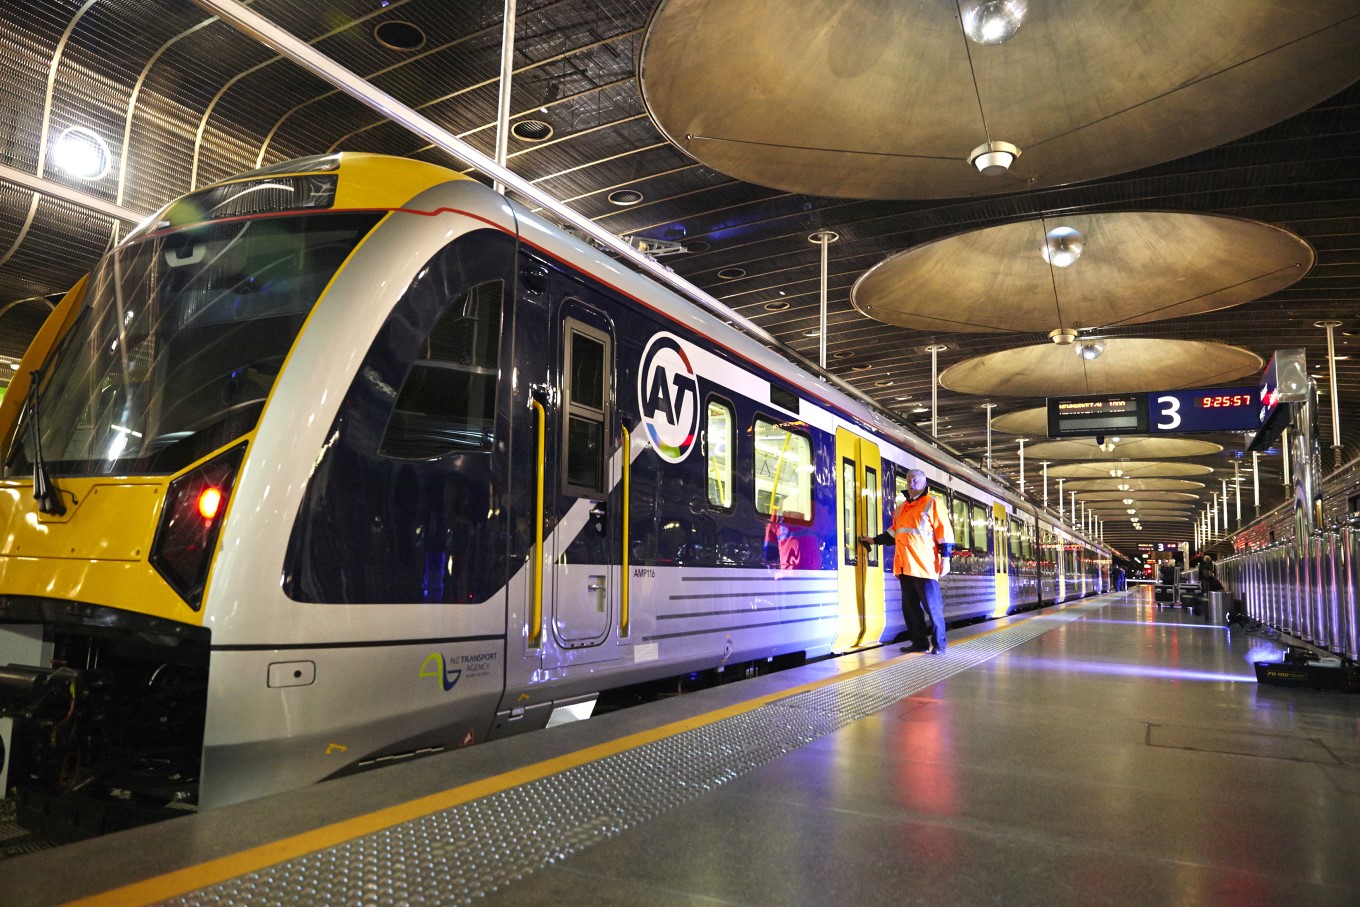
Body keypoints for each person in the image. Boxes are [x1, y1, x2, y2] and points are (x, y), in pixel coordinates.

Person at [860, 468, 954, 655]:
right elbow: (894, 533)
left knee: (932, 607)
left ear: (924, 483)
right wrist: (874, 540)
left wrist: (946, 558)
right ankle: (919, 643)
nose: (911, 483)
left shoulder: (933, 503)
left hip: (924, 566)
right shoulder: (901, 508)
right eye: (909, 480)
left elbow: (945, 533)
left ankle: (940, 644)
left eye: (916, 480)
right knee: (910, 610)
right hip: (904, 566)